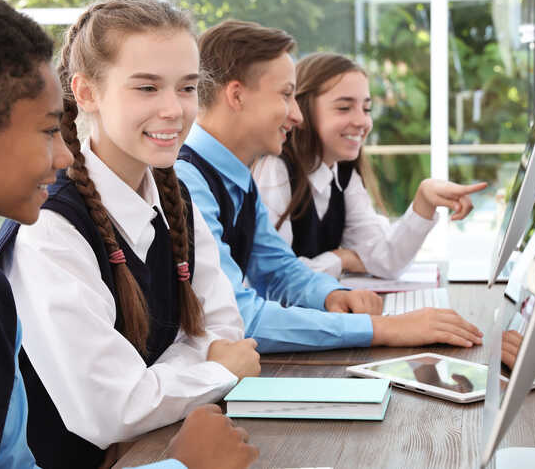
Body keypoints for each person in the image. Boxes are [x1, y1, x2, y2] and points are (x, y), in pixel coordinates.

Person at [0, 0, 259, 468]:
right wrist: (215, 367)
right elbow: (112, 410)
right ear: (87, 92)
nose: (174, 110)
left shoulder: (176, 201)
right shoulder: (49, 227)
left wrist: (166, 378)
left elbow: (225, 329)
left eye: (188, 87)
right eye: (147, 88)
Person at [175, 19, 484, 354]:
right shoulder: (187, 181)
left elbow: (279, 271)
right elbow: (237, 318)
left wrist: (330, 295)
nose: (297, 115)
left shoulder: (237, 178)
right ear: (236, 95)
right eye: (286, 96)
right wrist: (381, 328)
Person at [253, 52, 487, 279]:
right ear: (301, 111)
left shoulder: (342, 174)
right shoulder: (276, 169)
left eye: (366, 109)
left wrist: (424, 201)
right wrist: (340, 260)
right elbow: (272, 277)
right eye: (344, 108)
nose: (362, 121)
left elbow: (386, 260)